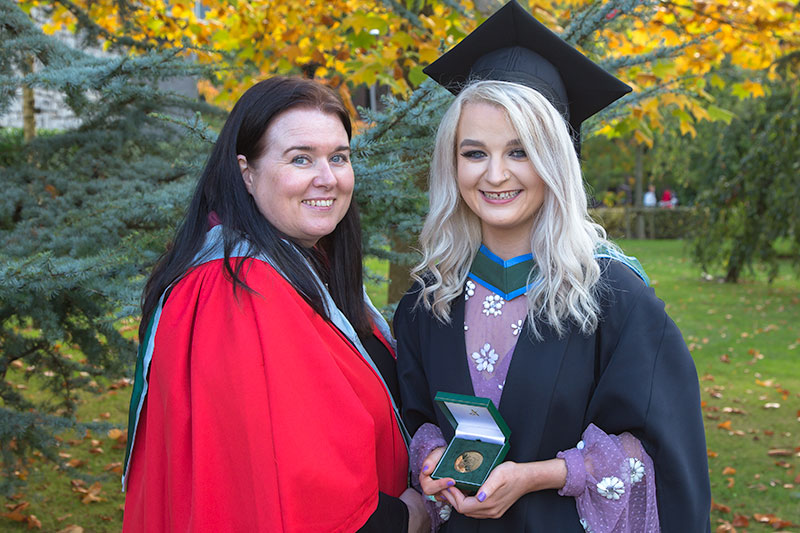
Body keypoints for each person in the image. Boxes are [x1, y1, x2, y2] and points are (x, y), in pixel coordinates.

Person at [393, 2, 711, 531]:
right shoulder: (432, 296)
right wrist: (430, 460)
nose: (495, 175)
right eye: (474, 153)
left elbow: (659, 451)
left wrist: (541, 474)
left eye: (520, 151)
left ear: (555, 160)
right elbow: (415, 418)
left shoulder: (612, 297)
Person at [122, 77, 429, 532]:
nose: (327, 178)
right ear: (247, 172)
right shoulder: (233, 290)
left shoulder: (303, 265)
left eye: (338, 158)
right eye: (300, 158)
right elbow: (291, 487)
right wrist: (409, 517)